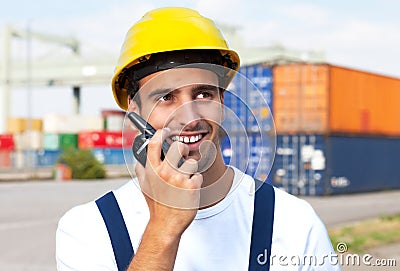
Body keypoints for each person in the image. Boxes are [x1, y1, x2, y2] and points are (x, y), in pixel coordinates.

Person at [56, 7, 341, 271]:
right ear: (134, 109)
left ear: (222, 101)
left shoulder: (293, 223)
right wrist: (162, 229)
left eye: (203, 94)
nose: (189, 116)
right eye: (165, 97)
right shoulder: (89, 229)